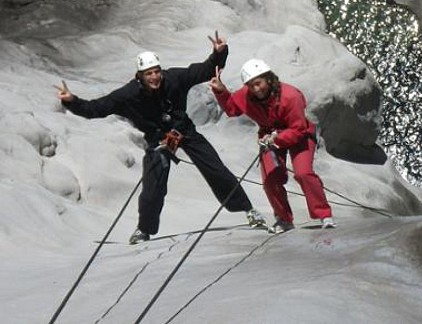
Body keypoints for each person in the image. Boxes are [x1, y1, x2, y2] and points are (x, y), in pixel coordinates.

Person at [55, 32, 267, 244]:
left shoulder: (173, 79)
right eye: (149, 74)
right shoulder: (128, 95)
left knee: (216, 169)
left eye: (156, 72)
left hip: (184, 130)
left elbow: (203, 71)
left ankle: (248, 210)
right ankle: (143, 230)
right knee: (153, 186)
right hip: (158, 140)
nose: (155, 77)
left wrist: (219, 53)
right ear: (140, 76)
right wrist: (72, 101)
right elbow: (95, 108)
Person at [209, 58, 336, 233]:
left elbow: (298, 129)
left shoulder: (291, 96)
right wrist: (221, 92)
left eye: (258, 83)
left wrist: (277, 139)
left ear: (268, 78)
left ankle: (324, 215)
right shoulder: (246, 95)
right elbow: (232, 109)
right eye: (251, 85)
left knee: (303, 173)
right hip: (269, 136)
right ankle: (284, 219)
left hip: (299, 135)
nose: (256, 89)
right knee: (270, 179)